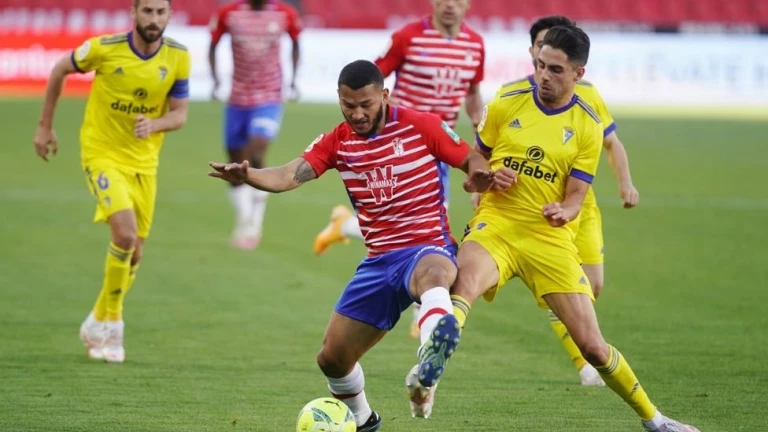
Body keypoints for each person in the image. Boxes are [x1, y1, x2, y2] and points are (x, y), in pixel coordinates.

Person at [428, 26, 700, 432]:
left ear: (578, 73)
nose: (544, 76)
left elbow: (576, 196)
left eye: (555, 69)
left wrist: (564, 211)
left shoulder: (587, 124)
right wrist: (485, 179)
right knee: (462, 286)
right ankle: (430, 371)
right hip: (497, 224)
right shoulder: (506, 101)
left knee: (593, 347)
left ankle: (655, 420)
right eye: (540, 65)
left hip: (547, 237)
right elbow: (475, 166)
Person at [208, 60, 498, 429]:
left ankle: (430, 358)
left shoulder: (421, 125)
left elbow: (471, 158)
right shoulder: (337, 141)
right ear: (339, 99)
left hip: (427, 245)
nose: (357, 114)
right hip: (379, 262)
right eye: (348, 105)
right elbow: (288, 174)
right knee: (332, 359)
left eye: (366, 104)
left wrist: (479, 176)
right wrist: (249, 174)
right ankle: (363, 420)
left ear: (384, 96)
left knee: (435, 275)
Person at [476, 15, 641, 387]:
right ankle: (585, 364)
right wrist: (482, 190)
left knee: (592, 286)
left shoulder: (588, 98)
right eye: (539, 49)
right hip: (522, 210)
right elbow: (484, 153)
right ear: (533, 50)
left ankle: (579, 340)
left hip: (579, 206)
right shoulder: (512, 96)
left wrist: (625, 183)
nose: (544, 65)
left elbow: (610, 142)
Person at [312, 0, 485, 339]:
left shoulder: (475, 45)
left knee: (422, 227)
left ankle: (345, 227)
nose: (449, 5)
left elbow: (473, 92)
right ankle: (429, 313)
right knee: (426, 230)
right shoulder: (408, 37)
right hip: (402, 143)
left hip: (440, 143)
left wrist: (478, 122)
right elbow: (374, 76)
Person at [33, 0, 190, 363]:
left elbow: (180, 114)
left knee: (134, 253)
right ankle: (114, 324)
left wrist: (156, 124)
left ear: (169, 15)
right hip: (101, 154)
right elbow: (59, 69)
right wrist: (44, 127)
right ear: (133, 14)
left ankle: (96, 320)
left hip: (145, 162)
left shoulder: (178, 57)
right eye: (147, 11)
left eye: (160, 12)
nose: (154, 19)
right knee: (125, 235)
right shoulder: (104, 49)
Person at [209, 0, 301, 249]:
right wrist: (215, 80)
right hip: (237, 99)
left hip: (269, 97)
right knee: (234, 163)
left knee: (257, 151)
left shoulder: (284, 14)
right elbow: (213, 44)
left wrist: (293, 80)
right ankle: (244, 217)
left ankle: (255, 223)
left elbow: (296, 42)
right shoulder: (229, 13)